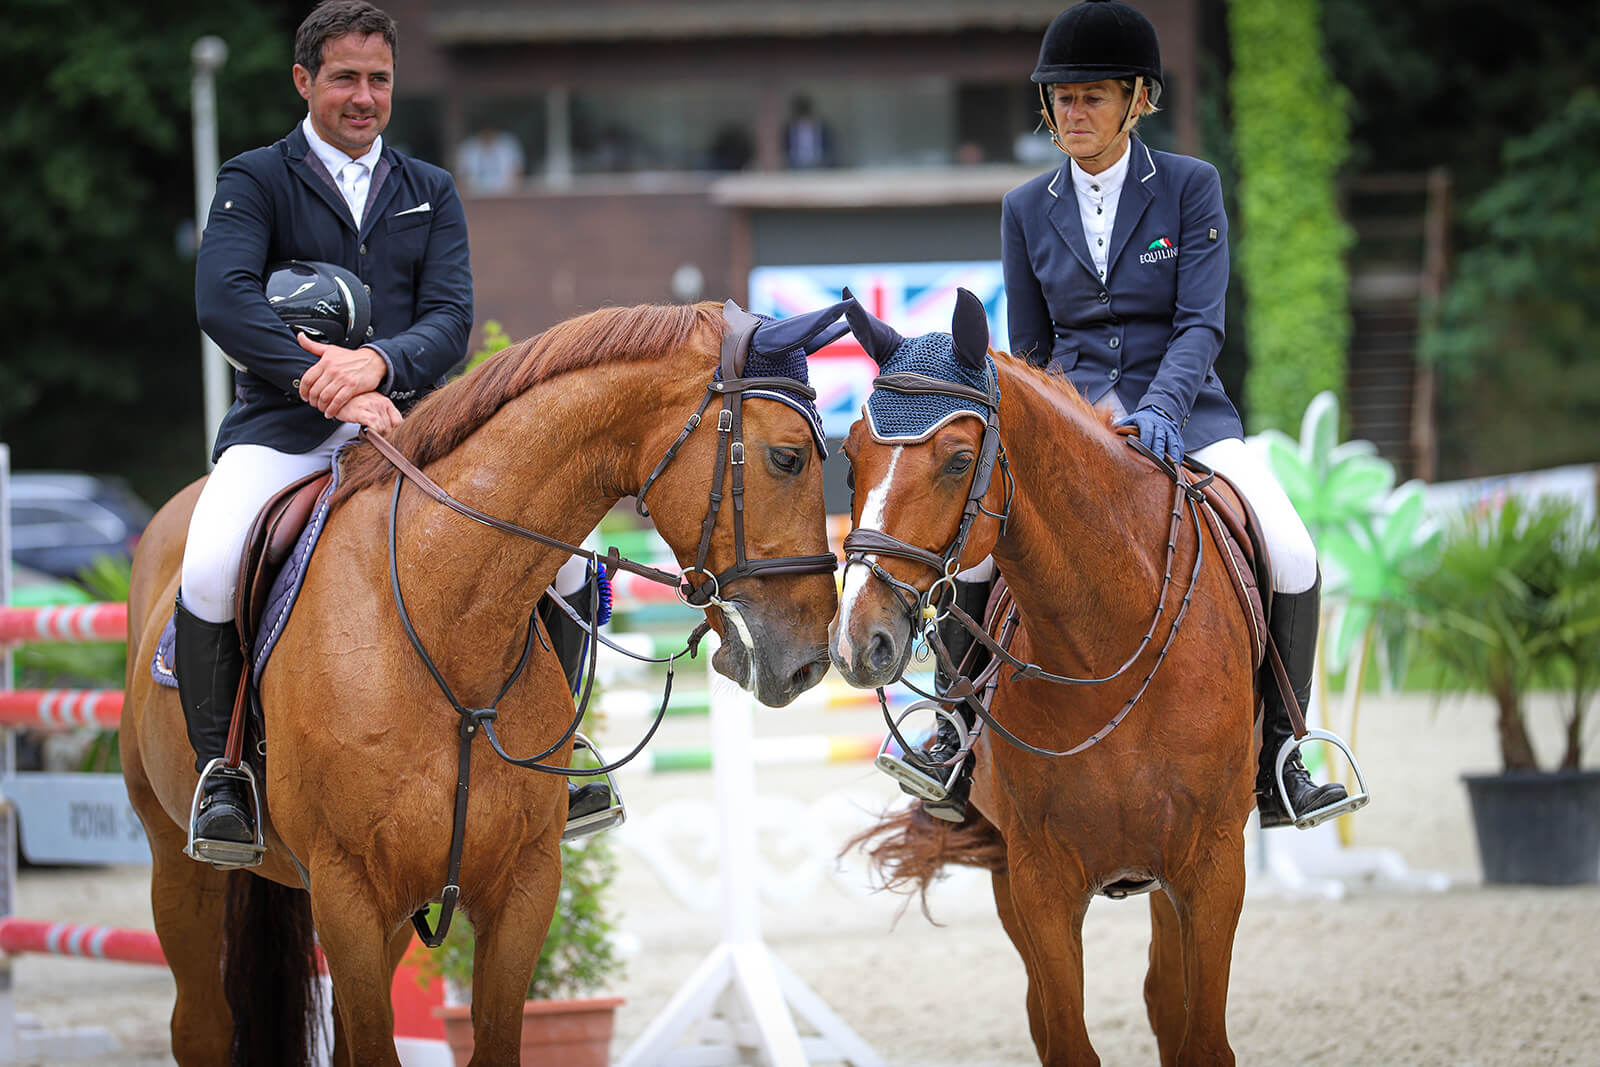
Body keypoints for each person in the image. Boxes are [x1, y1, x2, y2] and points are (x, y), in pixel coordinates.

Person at [905, 0, 1355, 831]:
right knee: (973, 549)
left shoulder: (1189, 186)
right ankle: (953, 729)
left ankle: (1286, 754)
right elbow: (1032, 348)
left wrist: (1160, 411)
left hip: (1191, 415)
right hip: (1073, 427)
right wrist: (1067, 424)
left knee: (1291, 546)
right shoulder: (1024, 208)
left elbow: (1201, 324)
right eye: (1062, 99)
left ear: (1137, 100)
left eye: (1092, 97)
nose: (1073, 114)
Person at [185, 0, 604, 863]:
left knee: (562, 553)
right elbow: (223, 299)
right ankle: (222, 772)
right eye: (344, 77)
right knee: (212, 557)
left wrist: (374, 366)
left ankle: (566, 747)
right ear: (305, 81)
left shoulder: (429, 189)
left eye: (378, 78)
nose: (364, 96)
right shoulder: (254, 178)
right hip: (284, 427)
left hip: (414, 425)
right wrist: (319, 379)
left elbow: (452, 317)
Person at [455, 127, 525, 194]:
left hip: (505, 194)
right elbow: (461, 178)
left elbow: (518, 173)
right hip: (475, 195)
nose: (488, 134)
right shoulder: (468, 148)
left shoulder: (509, 146)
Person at [783, 96, 833, 169]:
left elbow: (829, 152)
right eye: (801, 112)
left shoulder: (823, 129)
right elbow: (785, 152)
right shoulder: (788, 130)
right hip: (794, 168)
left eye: (805, 112)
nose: (804, 117)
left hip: (819, 167)